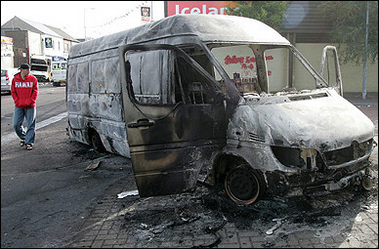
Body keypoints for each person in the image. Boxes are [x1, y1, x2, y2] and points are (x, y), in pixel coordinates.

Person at [11, 63, 39, 150]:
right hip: (19, 105)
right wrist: (17, 101)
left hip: (30, 106)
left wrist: (31, 101)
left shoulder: (33, 79)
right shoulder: (15, 79)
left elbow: (35, 91)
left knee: (30, 124)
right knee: (16, 124)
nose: (28, 71)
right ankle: (24, 137)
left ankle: (29, 142)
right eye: (27, 69)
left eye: (29, 70)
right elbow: (13, 91)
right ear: (21, 70)